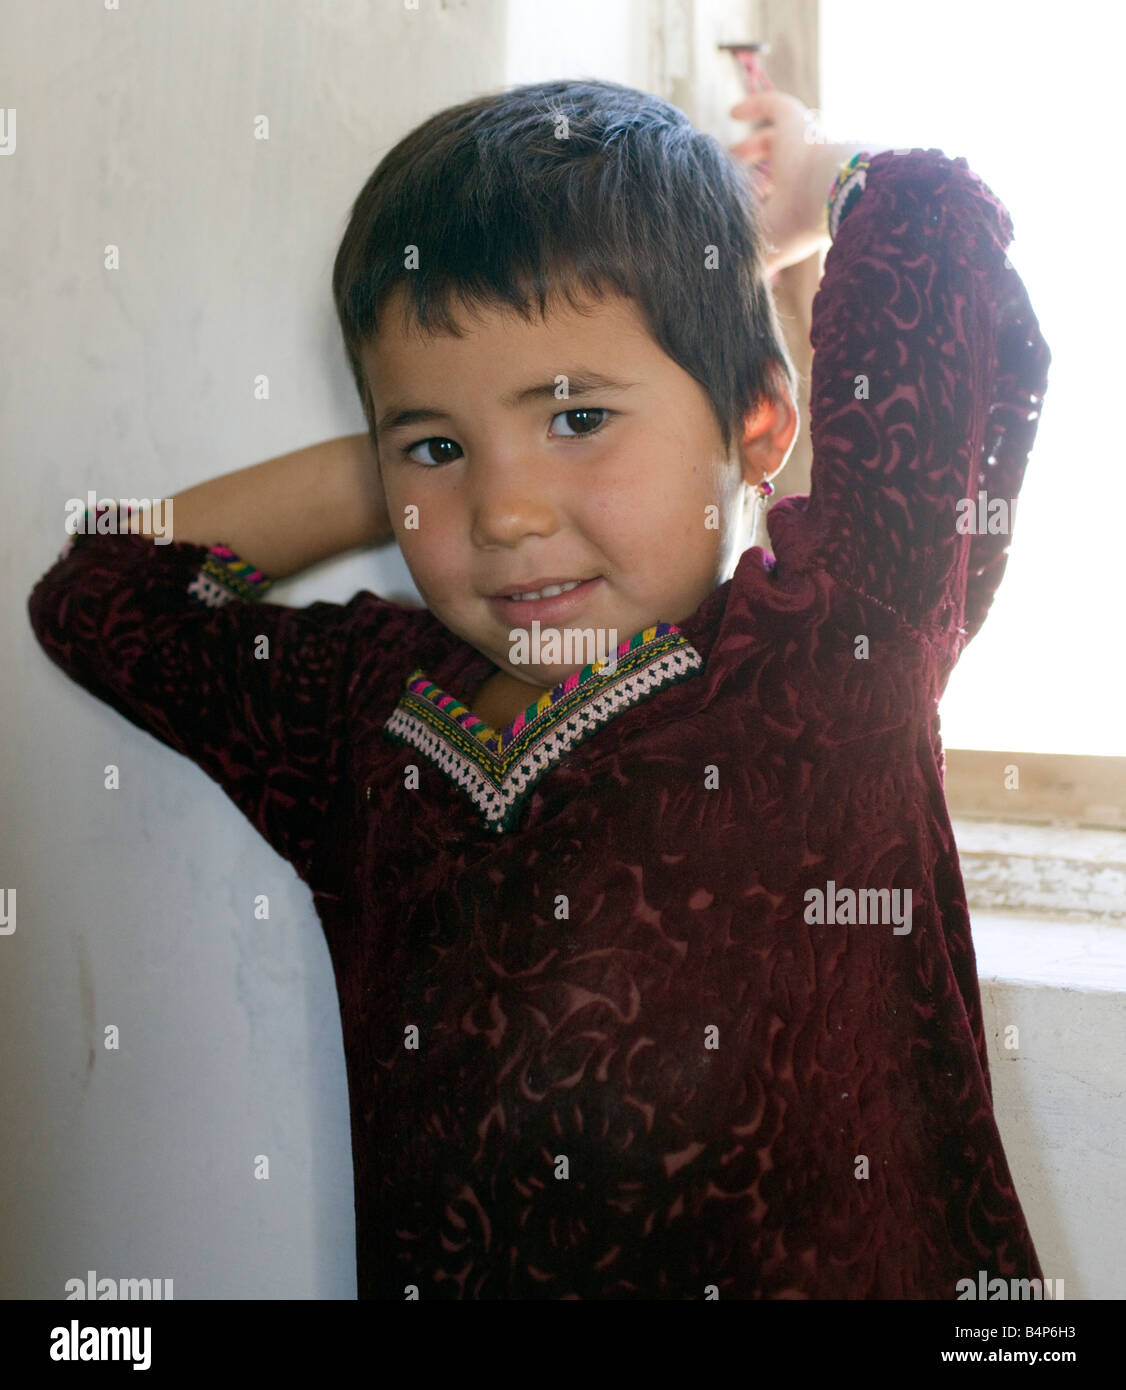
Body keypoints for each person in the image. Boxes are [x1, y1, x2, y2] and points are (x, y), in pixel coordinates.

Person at [27, 79, 1051, 1299]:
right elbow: (107, 589)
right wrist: (404, 468)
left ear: (757, 425)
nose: (505, 514)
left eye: (575, 415)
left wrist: (810, 182)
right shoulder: (372, 720)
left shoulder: (831, 660)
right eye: (441, 448)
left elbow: (932, 229)